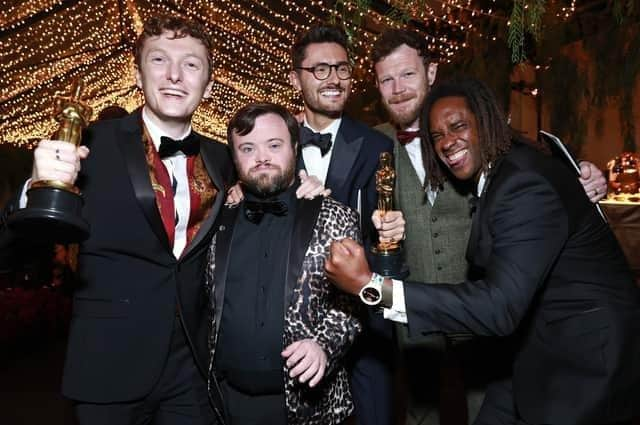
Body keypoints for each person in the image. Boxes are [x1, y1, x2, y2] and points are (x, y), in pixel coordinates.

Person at [326, 77, 640, 425]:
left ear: (486, 121)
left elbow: (499, 305)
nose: (447, 143)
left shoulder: (524, 184)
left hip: (585, 366)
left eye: (457, 126)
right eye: (437, 136)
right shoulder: (500, 175)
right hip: (531, 351)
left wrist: (372, 287)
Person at [1, 15, 234, 424]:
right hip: (108, 364)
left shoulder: (223, 157)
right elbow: (15, 248)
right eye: (159, 60)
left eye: (192, 64)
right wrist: (37, 188)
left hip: (193, 369)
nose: (175, 75)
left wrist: (304, 188)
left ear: (209, 85)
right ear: (138, 74)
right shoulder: (91, 144)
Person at [369, 28, 609, 424]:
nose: (397, 89)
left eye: (407, 75)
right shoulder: (370, 142)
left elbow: (529, 163)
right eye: (386, 80)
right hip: (415, 314)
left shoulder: (473, 128)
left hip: (485, 307)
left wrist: (582, 174)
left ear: (431, 72)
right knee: (418, 413)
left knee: (492, 408)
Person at [207, 102, 362, 425]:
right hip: (225, 404)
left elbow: (354, 302)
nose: (261, 157)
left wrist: (323, 345)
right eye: (247, 148)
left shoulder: (336, 216)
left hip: (310, 407)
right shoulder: (214, 220)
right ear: (234, 158)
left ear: (294, 147)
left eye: (274, 145)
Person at [288, 25, 401, 425]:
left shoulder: (377, 146)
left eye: (341, 68)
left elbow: (387, 241)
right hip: (294, 332)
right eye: (319, 69)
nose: (333, 78)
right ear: (295, 78)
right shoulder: (274, 142)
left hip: (365, 325)